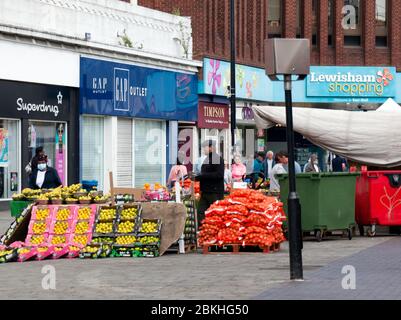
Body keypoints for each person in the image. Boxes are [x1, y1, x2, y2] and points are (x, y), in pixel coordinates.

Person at [195, 140, 224, 223]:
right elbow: (205, 173)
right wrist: (197, 177)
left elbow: (219, 175)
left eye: (205, 147)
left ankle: (215, 231)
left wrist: (202, 176)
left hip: (214, 192)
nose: (203, 149)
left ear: (211, 148)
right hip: (205, 191)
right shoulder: (207, 159)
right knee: (200, 212)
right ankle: (202, 231)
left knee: (215, 212)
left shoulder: (217, 159)